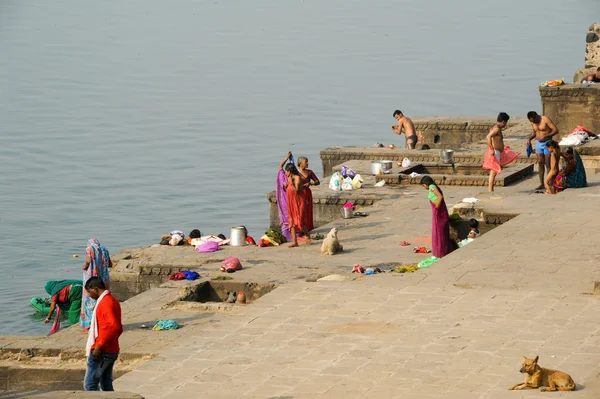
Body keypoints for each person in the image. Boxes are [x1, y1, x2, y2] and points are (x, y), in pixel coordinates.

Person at [83, 277, 122, 392]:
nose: (89, 295)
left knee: (90, 385)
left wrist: (99, 345)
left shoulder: (105, 303)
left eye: (89, 292)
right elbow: (118, 328)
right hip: (111, 348)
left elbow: (114, 326)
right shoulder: (111, 300)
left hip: (103, 350)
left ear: (95, 289)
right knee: (106, 385)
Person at [420, 176, 455, 258]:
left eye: (423, 185)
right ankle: (443, 251)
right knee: (441, 233)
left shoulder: (432, 187)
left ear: (426, 184)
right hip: (440, 214)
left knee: (440, 234)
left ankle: (441, 252)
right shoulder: (433, 187)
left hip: (439, 214)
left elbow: (439, 197)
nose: (424, 187)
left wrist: (437, 205)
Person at [484, 112, 520, 192]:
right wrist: (492, 149)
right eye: (506, 123)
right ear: (503, 121)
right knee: (493, 171)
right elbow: (488, 137)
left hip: (498, 151)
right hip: (495, 151)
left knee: (494, 171)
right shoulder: (496, 129)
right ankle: (490, 190)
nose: (505, 125)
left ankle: (491, 189)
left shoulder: (495, 127)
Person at [81, 239, 112, 330]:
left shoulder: (89, 249)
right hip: (104, 279)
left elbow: (88, 261)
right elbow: (110, 264)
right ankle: (102, 320)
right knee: (103, 298)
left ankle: (91, 323)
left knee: (89, 299)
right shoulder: (105, 250)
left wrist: (85, 266)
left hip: (91, 277)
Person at [526, 111, 559, 190]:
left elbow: (555, 130)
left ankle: (549, 182)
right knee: (540, 163)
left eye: (534, 120)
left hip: (547, 143)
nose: (533, 122)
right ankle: (541, 184)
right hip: (538, 143)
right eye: (531, 121)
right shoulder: (533, 122)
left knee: (548, 163)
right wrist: (529, 139)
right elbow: (535, 132)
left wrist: (547, 136)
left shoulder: (545, 119)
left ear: (536, 116)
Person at [284, 163, 309, 247]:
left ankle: (307, 234)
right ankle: (295, 242)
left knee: (300, 220)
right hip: (291, 202)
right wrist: (287, 184)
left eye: (286, 171)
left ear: (290, 171)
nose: (285, 173)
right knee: (291, 221)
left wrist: (290, 183)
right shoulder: (289, 178)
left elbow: (297, 191)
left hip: (298, 201)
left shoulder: (297, 178)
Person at [297, 156, 320, 232]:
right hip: (299, 193)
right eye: (306, 162)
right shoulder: (296, 172)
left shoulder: (309, 172)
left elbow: (317, 181)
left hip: (307, 193)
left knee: (307, 210)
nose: (307, 163)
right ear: (300, 163)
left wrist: (311, 183)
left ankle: (308, 227)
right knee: (300, 210)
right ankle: (300, 227)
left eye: (307, 161)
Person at [277, 152, 294, 241]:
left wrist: (287, 158)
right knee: (287, 220)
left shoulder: (290, 178)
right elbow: (280, 167)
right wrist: (287, 158)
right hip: (285, 201)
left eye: (287, 171)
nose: (286, 172)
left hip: (288, 200)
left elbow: (280, 166)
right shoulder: (284, 176)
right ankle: (287, 235)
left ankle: (292, 235)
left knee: (290, 219)